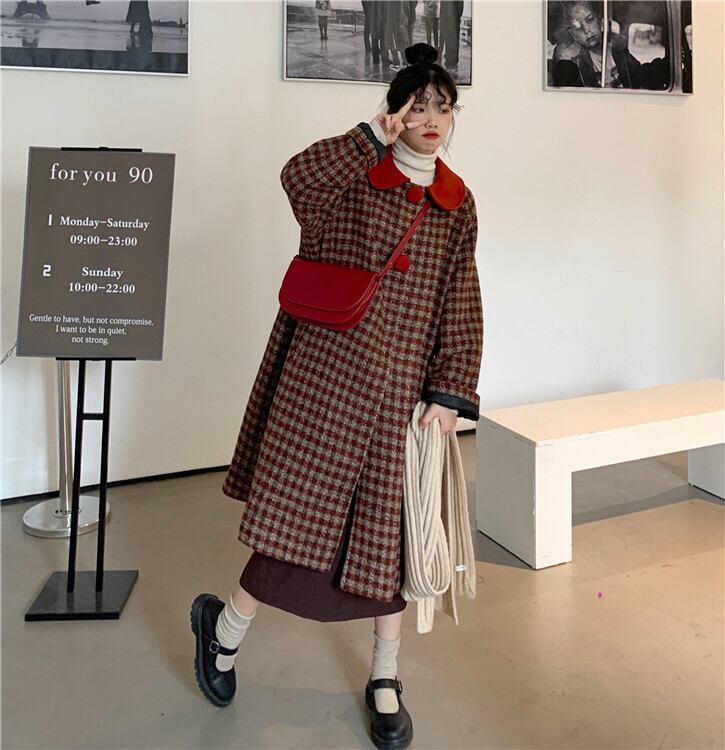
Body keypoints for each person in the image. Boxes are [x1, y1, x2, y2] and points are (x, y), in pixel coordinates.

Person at [190, 42, 483, 750]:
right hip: (323, 383)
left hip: (399, 399)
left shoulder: (456, 202)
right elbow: (295, 178)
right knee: (292, 524)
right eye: (418, 106)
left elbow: (460, 299)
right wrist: (368, 138)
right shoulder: (354, 175)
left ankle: (385, 675)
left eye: (444, 108)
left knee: (388, 540)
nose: (432, 119)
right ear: (396, 109)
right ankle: (223, 632)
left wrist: (449, 392)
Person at [551, 0, 670, 89]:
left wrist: (668, 66)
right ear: (572, 34)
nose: (586, 30)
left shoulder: (616, 49)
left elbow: (639, 76)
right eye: (577, 27)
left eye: (590, 19)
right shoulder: (571, 61)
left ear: (599, 20)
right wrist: (566, 63)